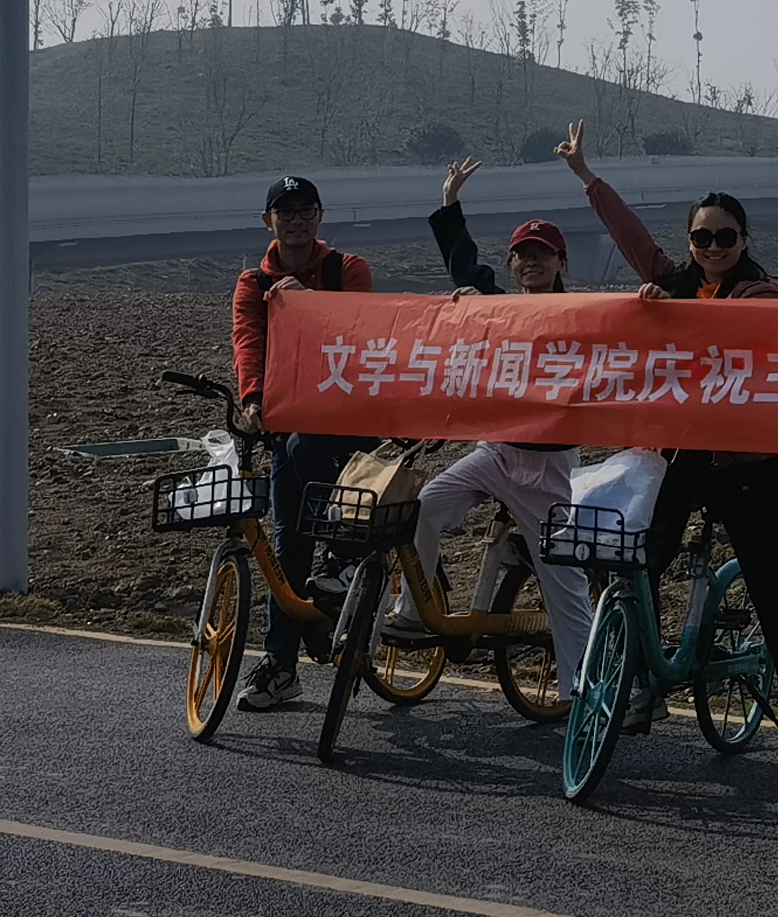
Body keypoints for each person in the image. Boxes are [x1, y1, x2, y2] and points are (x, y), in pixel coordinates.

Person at [558, 123, 778, 768]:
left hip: (748, 463)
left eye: (724, 237)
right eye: (701, 238)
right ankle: (644, 683)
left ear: (744, 241)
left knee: (770, 583)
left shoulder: (760, 291)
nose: (712, 248)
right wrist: (588, 178)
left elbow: (742, 328)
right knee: (640, 563)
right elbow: (634, 242)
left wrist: (669, 311)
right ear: (690, 242)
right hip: (682, 457)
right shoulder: (676, 281)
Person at [410, 153, 596, 691]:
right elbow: (466, 269)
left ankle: (582, 689)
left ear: (561, 262)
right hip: (495, 453)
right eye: (521, 255)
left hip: (548, 465)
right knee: (421, 509)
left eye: (541, 253)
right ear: (512, 266)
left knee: (563, 583)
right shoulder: (501, 307)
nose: (530, 261)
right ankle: (414, 609)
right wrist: (450, 203)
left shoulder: (587, 317)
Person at [230, 175, 375, 713]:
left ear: (320, 216)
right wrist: (252, 398)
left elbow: (356, 331)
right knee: (288, 546)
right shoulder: (252, 283)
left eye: (305, 210)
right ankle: (280, 667)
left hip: (348, 418)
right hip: (290, 421)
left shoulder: (348, 269)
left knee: (301, 451)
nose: (296, 220)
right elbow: (248, 340)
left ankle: (344, 551)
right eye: (285, 211)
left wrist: (305, 304)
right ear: (267, 220)